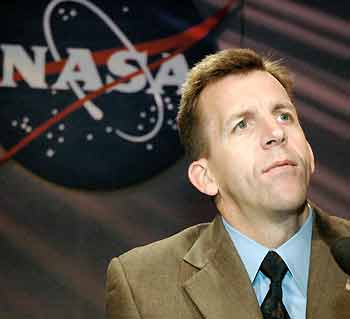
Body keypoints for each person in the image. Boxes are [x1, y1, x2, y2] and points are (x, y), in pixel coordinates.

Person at [105, 48, 350, 319]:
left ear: (309, 153)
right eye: (242, 124)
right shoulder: (142, 286)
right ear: (206, 177)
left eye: (284, 116)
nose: (276, 133)